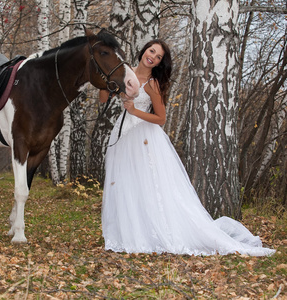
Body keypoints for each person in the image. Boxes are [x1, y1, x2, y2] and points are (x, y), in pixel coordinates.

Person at [100, 40, 275, 256]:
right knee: (126, 184)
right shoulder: (126, 72)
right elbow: (103, 98)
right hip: (123, 135)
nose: (152, 57)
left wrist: (135, 111)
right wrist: (104, 81)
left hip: (144, 136)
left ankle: (152, 233)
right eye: (151, 51)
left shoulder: (153, 84)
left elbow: (161, 118)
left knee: (149, 185)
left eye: (158, 57)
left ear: (159, 63)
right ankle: (128, 233)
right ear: (144, 50)